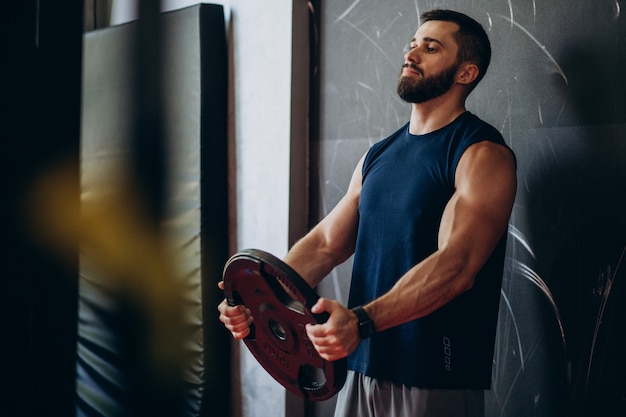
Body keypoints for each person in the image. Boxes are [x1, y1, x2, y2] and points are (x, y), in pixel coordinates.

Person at [219, 9, 517, 417]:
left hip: (434, 376)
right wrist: (261, 301)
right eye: (413, 44)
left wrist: (360, 322)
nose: (412, 54)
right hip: (360, 368)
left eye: (431, 48)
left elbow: (458, 265)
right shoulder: (379, 156)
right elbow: (325, 244)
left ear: (466, 73)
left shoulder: (480, 154)